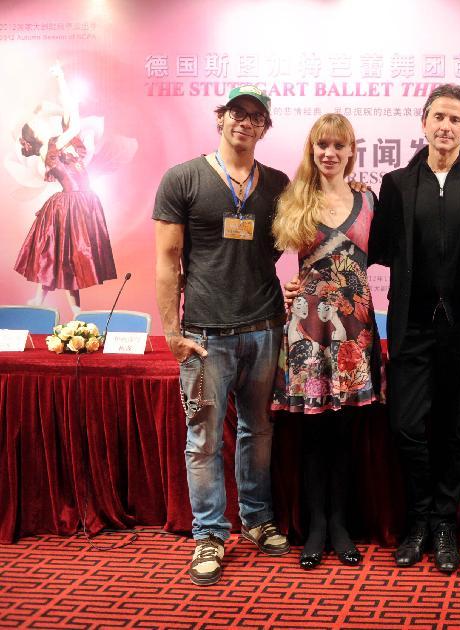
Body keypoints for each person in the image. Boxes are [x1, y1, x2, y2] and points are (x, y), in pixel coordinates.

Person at [153, 85, 291, 586]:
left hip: (264, 327)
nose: (245, 122)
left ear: (264, 128)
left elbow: (277, 247)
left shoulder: (277, 184)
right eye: (237, 112)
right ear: (221, 118)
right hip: (204, 333)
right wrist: (171, 331)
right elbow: (168, 261)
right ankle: (210, 534)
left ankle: (256, 519)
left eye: (256, 116)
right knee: (204, 439)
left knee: (259, 430)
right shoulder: (183, 178)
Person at [368, 84, 460, 573]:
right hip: (413, 327)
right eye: (438, 117)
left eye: (456, 119)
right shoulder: (398, 183)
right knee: (407, 426)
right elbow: (379, 246)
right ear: (423, 122)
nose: (446, 126)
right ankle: (419, 519)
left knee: (457, 428)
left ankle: (445, 523)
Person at [271, 113, 383, 570]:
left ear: (351, 151)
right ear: (312, 150)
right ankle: (316, 525)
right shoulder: (295, 199)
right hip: (307, 331)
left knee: (344, 432)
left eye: (339, 145)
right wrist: (285, 290)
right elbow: (262, 258)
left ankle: (340, 524)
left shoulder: (369, 199)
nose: (329, 153)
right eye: (322, 145)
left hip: (354, 331)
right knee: (313, 432)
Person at [15, 62, 116, 317]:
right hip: (71, 205)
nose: (41, 123)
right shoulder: (49, 149)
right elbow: (73, 124)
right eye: (36, 124)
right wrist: (60, 80)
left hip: (82, 203)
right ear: (35, 135)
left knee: (66, 256)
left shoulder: (61, 143)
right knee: (61, 255)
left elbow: (72, 115)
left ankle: (64, 306)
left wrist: (61, 81)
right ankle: (61, 305)